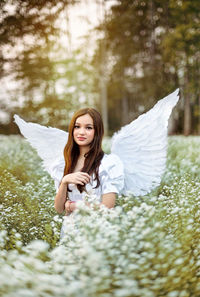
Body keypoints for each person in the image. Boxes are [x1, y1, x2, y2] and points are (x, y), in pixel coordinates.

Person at [54, 108, 124, 239]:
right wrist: (64, 181)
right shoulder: (64, 163)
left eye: (88, 128)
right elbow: (59, 208)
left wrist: (73, 205)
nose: (81, 132)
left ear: (97, 131)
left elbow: (107, 207)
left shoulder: (108, 163)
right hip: (70, 231)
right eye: (77, 126)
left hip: (97, 231)